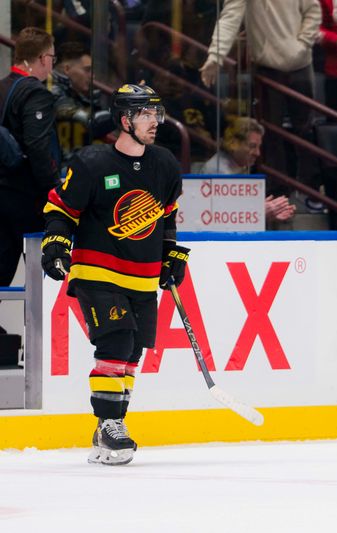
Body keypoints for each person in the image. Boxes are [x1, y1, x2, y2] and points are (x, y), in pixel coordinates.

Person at [40, 84, 187, 465]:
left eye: (156, 113)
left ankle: (109, 426)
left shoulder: (165, 164)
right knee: (116, 341)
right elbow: (60, 209)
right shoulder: (92, 163)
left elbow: (167, 216)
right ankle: (110, 424)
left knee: (132, 352)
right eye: (145, 115)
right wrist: (56, 244)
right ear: (125, 120)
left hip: (141, 275)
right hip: (97, 270)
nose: (155, 121)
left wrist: (171, 254)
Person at [199, 0, 322, 203]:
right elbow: (230, 17)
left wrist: (302, 44)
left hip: (300, 63)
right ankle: (277, 192)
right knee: (269, 132)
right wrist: (215, 56)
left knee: (306, 129)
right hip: (268, 66)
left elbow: (313, 10)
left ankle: (312, 190)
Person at [0, 27, 61, 289]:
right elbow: (38, 148)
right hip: (25, 197)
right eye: (52, 58)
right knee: (44, 273)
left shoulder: (2, 86)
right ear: (43, 58)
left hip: (2, 194)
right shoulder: (36, 94)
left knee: (2, 266)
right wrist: (53, 190)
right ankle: (46, 329)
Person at [200, 117, 296, 224]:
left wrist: (266, 212)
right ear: (234, 143)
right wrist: (258, 212)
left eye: (258, 147)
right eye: (252, 146)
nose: (257, 153)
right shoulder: (219, 171)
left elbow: (238, 210)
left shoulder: (238, 165)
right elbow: (225, 220)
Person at [51, 42, 115, 167]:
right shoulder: (52, 92)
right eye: (87, 70)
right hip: (60, 172)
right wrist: (125, 109)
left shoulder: (81, 95)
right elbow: (92, 122)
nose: (92, 76)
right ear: (67, 69)